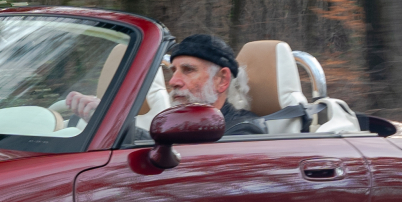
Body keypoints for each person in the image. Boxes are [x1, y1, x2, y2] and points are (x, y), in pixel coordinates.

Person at [58, 31, 264, 134]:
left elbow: (186, 160)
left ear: (222, 80)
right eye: (173, 71)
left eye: (188, 70)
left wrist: (113, 123)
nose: (173, 81)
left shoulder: (244, 130)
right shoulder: (178, 124)